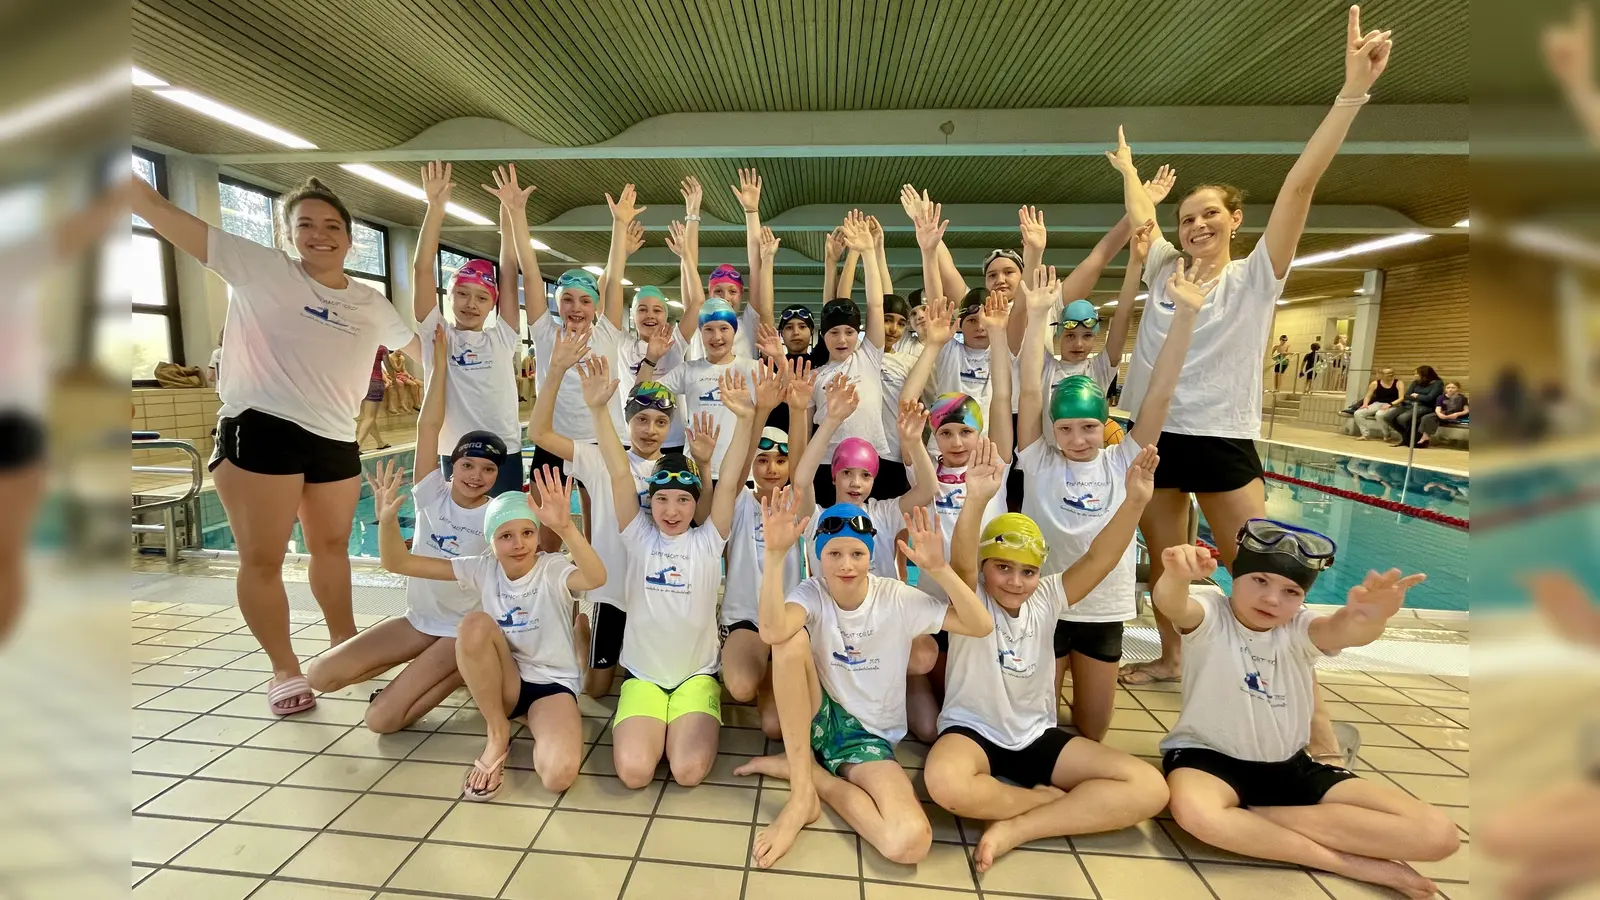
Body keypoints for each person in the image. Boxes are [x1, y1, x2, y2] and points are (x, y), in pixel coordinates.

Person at [1107, 7, 1395, 782]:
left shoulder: (1256, 276)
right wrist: (1131, 173)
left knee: (1269, 576)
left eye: (1209, 215)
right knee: (1168, 557)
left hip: (1223, 435)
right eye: (1187, 216)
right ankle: (1173, 660)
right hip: (1153, 433)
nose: (1195, 224)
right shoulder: (1166, 267)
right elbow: (1142, 218)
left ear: (1236, 222)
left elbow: (1302, 183)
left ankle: (1316, 719)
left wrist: (1350, 95)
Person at [132, 174, 419, 716]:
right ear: (286, 234)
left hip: (335, 435)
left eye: (332, 225)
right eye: (305, 224)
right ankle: (284, 668)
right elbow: (162, 212)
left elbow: (429, 350)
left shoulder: (368, 301)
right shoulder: (259, 268)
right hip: (263, 427)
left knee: (332, 549)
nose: (320, 234)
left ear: (350, 239)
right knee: (262, 558)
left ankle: (345, 645)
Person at [1155, 523, 1457, 898]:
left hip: (1291, 767)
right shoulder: (1211, 615)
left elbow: (1343, 630)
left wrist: (1369, 617)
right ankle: (1346, 863)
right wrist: (1176, 575)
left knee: (1438, 836)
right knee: (1195, 812)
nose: (1272, 600)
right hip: (1208, 761)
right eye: (1260, 581)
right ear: (1235, 575)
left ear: (1302, 598)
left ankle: (1253, 818)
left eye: (1291, 591)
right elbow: (1173, 604)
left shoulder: (1301, 627)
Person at [926, 438, 1170, 872]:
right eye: (1003, 567)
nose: (1015, 582)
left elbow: (1101, 557)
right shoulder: (971, 599)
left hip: (1036, 734)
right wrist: (976, 498)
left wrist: (1134, 501)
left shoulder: (1049, 598)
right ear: (985, 568)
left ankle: (1019, 826)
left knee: (1149, 787)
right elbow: (961, 560)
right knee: (944, 783)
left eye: (1028, 571)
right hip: (972, 733)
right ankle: (1040, 801)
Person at [735, 491, 996, 869]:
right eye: (834, 554)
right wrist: (774, 557)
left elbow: (980, 624)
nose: (846, 565)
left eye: (856, 554)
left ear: (870, 556)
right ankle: (800, 796)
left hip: (867, 738)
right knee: (790, 641)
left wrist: (939, 569)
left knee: (909, 842)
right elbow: (772, 630)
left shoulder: (895, 597)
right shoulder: (812, 592)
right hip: (819, 714)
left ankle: (809, 775)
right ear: (818, 558)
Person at [1016, 243, 1202, 740]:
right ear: (1052, 430)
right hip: (1047, 603)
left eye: (1088, 428)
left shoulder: (1124, 461)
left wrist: (1185, 316)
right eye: (1067, 429)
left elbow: (1160, 392)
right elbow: (1030, 390)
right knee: (1042, 723)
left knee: (1094, 728)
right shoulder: (1036, 460)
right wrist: (1037, 319)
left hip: (1104, 610)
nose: (1078, 440)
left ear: (1104, 427)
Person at [372, 463, 604, 800]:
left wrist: (567, 528)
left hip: (552, 685)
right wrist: (389, 521)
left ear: (538, 535)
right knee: (473, 624)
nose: (518, 544)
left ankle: (557, 676)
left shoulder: (551, 568)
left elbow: (596, 578)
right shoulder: (482, 567)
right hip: (506, 682)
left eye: (527, 533)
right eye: (505, 536)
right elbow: (400, 564)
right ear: (490, 541)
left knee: (558, 775)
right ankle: (498, 732)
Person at [308, 327, 501, 731]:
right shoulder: (432, 493)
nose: (476, 476)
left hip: (459, 632)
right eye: (467, 465)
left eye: (487, 469)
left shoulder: (497, 516)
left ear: (496, 477)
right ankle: (421, 674)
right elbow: (427, 427)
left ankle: (454, 671)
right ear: (454, 466)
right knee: (320, 675)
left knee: (382, 721)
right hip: (418, 621)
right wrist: (438, 368)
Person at [584, 357, 757, 788]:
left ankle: (694, 705)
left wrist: (746, 418)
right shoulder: (637, 535)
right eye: (663, 500)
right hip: (642, 674)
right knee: (636, 773)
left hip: (695, 675)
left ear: (694, 502)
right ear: (651, 502)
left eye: (684, 500)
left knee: (687, 772)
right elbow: (620, 472)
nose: (673, 510)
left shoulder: (708, 540)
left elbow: (731, 482)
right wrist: (597, 411)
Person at [528, 329, 721, 698]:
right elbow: (539, 432)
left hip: (658, 594)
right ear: (628, 420)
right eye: (642, 420)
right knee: (595, 689)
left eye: (661, 422)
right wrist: (555, 371)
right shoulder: (599, 458)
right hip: (614, 590)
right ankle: (581, 630)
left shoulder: (676, 470)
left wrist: (704, 465)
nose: (650, 430)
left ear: (670, 427)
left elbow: (702, 521)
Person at [414, 161, 527, 497]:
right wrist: (435, 208)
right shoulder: (437, 334)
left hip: (504, 449)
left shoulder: (502, 337)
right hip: (455, 449)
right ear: (449, 296)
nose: (470, 303)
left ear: (492, 304)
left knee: (505, 533)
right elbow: (421, 269)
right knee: (460, 531)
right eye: (462, 293)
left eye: (481, 297)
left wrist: (508, 214)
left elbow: (509, 268)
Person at [717, 362, 814, 738]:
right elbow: (735, 471)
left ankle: (775, 667)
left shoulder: (799, 504)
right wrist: (757, 412)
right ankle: (760, 665)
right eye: (763, 460)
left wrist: (798, 409)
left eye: (780, 460)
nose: (772, 468)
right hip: (745, 616)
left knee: (776, 729)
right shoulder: (740, 502)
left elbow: (803, 471)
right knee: (740, 687)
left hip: (787, 616)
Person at [804, 211, 902, 501]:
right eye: (834, 333)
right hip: (827, 465)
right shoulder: (815, 375)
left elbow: (875, 304)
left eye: (849, 332)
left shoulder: (868, 356)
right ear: (823, 336)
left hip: (870, 460)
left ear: (857, 333)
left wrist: (868, 252)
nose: (842, 339)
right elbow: (807, 428)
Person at [1382, 365, 1444, 446]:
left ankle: (1407, 438)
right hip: (1410, 405)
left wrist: (1417, 396)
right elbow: (1407, 395)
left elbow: (1430, 398)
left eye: (1416, 374)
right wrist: (1419, 397)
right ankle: (1406, 436)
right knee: (1387, 417)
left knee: (1402, 419)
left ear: (1424, 374)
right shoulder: (1415, 382)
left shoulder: (1437, 383)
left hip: (1425, 406)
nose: (1414, 375)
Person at [1349, 367, 1401, 440]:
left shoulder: (1398, 383)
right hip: (1378, 403)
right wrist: (1365, 404)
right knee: (1358, 413)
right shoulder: (1375, 383)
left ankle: (1387, 435)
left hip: (1392, 404)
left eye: (1392, 373)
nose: (1390, 374)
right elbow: (1368, 396)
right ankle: (1365, 434)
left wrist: (1390, 404)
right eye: (1388, 373)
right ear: (1382, 375)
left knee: (1379, 415)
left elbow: (1401, 398)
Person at [355, 346, 390, 451]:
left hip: (361, 383)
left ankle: (380, 442)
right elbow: (388, 366)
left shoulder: (361, 346)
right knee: (369, 418)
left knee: (369, 417)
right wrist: (392, 378)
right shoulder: (381, 348)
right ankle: (356, 446)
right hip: (374, 382)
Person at [1418, 381, 1469, 447]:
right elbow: (1438, 409)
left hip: (1457, 416)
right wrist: (1441, 415)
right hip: (1444, 415)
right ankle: (1425, 436)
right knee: (1427, 417)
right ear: (1445, 389)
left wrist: (1457, 414)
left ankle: (1425, 437)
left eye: (1453, 388)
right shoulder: (1441, 398)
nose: (1450, 389)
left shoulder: (1462, 398)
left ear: (1458, 389)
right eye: (1448, 387)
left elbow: (1466, 410)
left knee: (1434, 418)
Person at [387, 349, 423, 414]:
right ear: (394, 350)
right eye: (398, 351)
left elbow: (404, 369)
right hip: (395, 374)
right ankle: (404, 403)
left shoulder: (401, 357)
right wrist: (401, 362)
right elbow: (397, 369)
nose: (400, 353)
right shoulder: (390, 357)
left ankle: (419, 402)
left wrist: (408, 375)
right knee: (413, 384)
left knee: (420, 384)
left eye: (401, 351)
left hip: (402, 374)